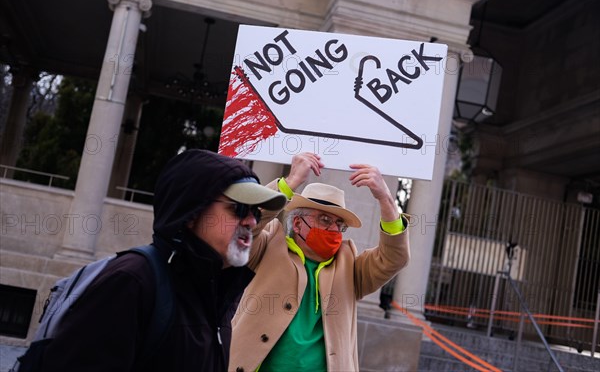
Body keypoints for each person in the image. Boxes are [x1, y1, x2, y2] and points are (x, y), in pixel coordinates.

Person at [38, 149, 287, 372]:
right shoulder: (132, 281)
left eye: (255, 212)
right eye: (239, 209)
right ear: (191, 212)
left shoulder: (215, 292)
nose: (252, 222)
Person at [229, 152, 410, 372]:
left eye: (339, 224)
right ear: (297, 223)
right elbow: (246, 223)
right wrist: (290, 182)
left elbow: (394, 258)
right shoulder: (269, 246)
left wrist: (386, 199)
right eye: (325, 219)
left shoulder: (350, 267)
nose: (334, 229)